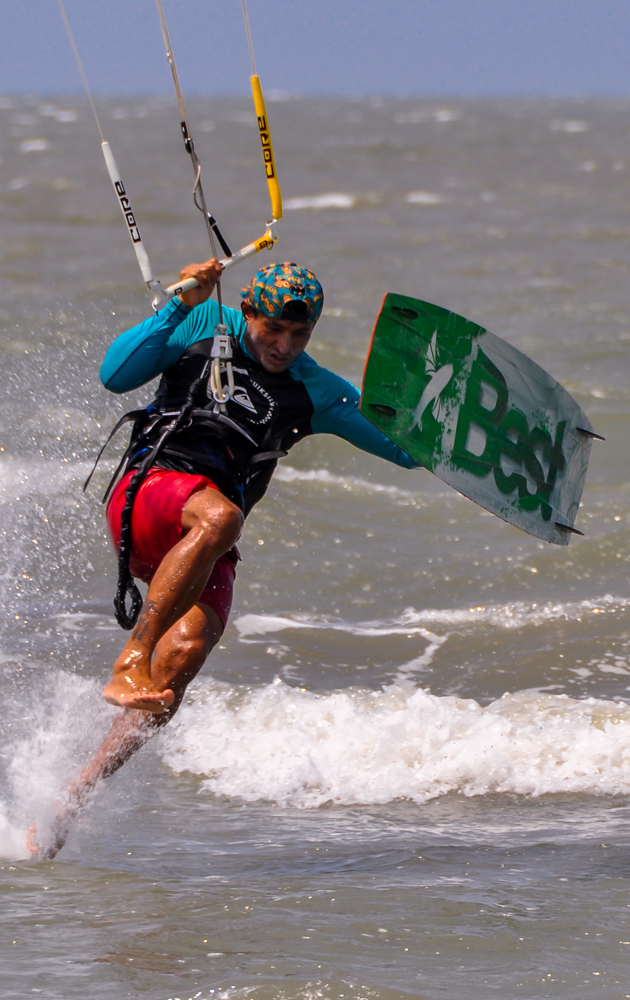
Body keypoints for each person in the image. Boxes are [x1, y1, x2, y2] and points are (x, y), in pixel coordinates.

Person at [28, 258, 417, 859]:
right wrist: (180, 303)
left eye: (300, 334)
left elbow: (404, 451)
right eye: (272, 331)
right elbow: (114, 374)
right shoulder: (205, 320)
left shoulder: (317, 390)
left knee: (178, 667)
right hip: (151, 495)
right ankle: (132, 654)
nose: (284, 346)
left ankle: (70, 801)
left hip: (203, 545)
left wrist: (440, 409)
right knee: (222, 517)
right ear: (249, 313)